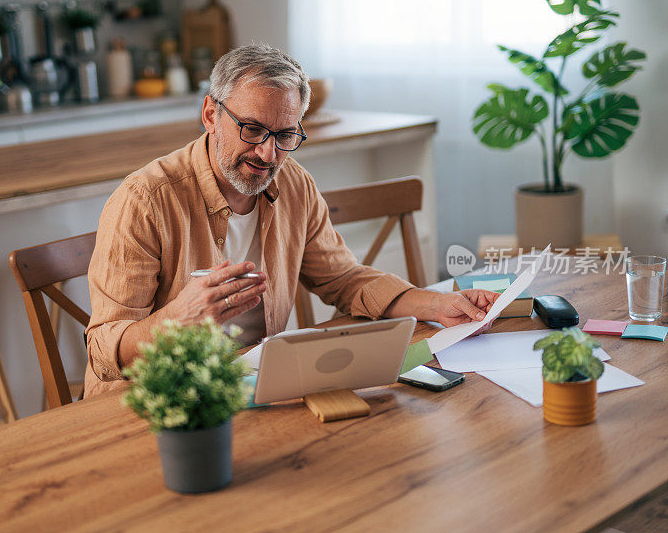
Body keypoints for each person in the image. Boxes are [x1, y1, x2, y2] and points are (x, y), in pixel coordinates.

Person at [83, 44, 497, 398]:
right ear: (210, 114)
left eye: (284, 136)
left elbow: (345, 280)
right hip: (155, 405)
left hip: (255, 392)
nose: (268, 155)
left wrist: (438, 304)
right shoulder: (144, 200)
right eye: (251, 129)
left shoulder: (293, 184)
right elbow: (103, 348)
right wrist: (179, 318)